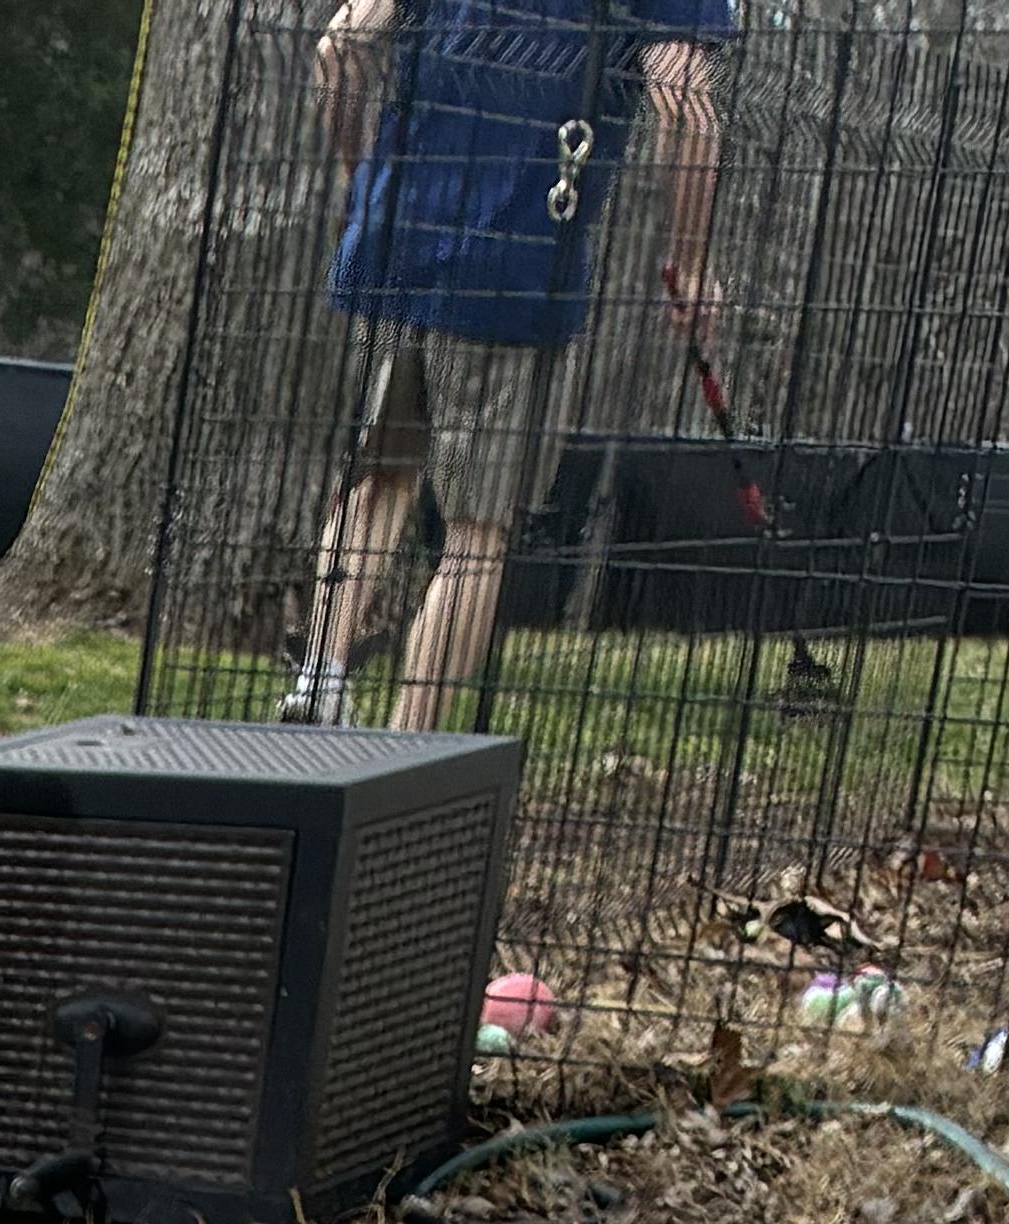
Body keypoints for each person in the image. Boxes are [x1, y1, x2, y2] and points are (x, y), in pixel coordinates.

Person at [282, 0, 731, 727]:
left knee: (382, 477)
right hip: (517, 267)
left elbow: (342, 46)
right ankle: (406, 750)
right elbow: (683, 104)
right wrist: (694, 258)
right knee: (476, 532)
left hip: (401, 238)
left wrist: (365, 183)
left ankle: (318, 687)